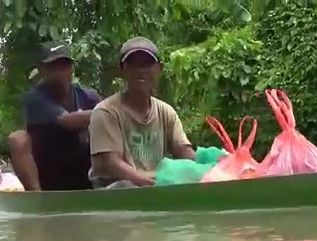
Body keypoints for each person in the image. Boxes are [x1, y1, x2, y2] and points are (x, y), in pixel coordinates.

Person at [89, 37, 196, 189]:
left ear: (159, 68)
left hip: (153, 188)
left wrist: (210, 164)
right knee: (126, 185)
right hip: (115, 192)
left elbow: (184, 151)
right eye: (132, 64)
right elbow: (109, 163)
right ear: (122, 70)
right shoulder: (106, 112)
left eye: (146, 63)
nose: (140, 70)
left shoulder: (166, 112)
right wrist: (141, 178)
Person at [8, 41, 101, 191]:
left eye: (64, 65)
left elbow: (110, 122)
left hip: (83, 167)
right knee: (18, 139)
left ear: (71, 68)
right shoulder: (35, 97)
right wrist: (109, 111)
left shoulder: (88, 96)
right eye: (53, 67)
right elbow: (67, 121)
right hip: (49, 171)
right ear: (42, 70)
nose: (60, 72)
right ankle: (37, 199)